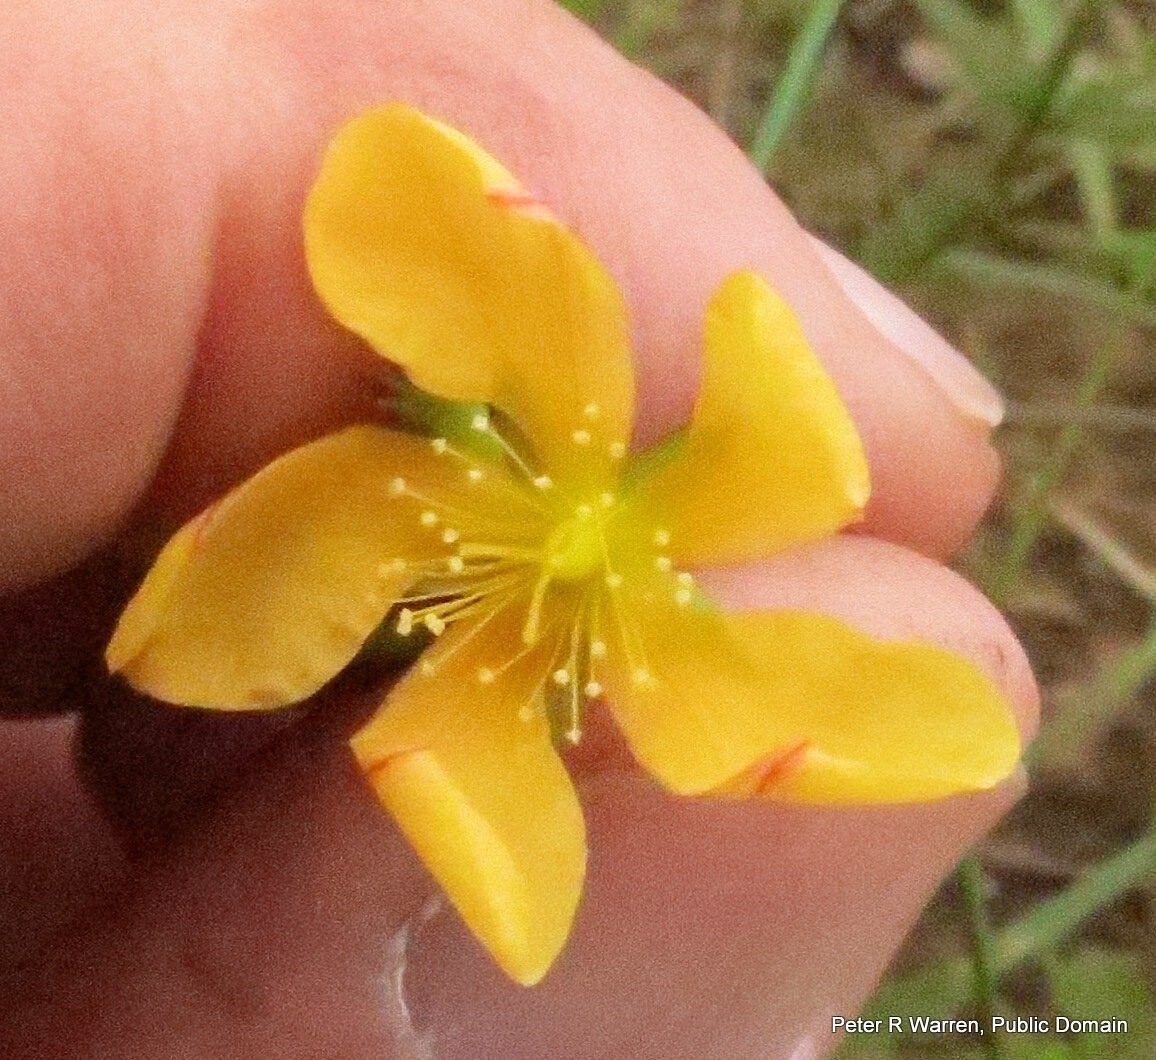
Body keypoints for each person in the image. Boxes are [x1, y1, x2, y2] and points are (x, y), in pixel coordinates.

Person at [0, 1, 1038, 1056]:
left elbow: (796, 419)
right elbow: (405, 189)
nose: (566, 555)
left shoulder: (779, 441)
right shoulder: (391, 486)